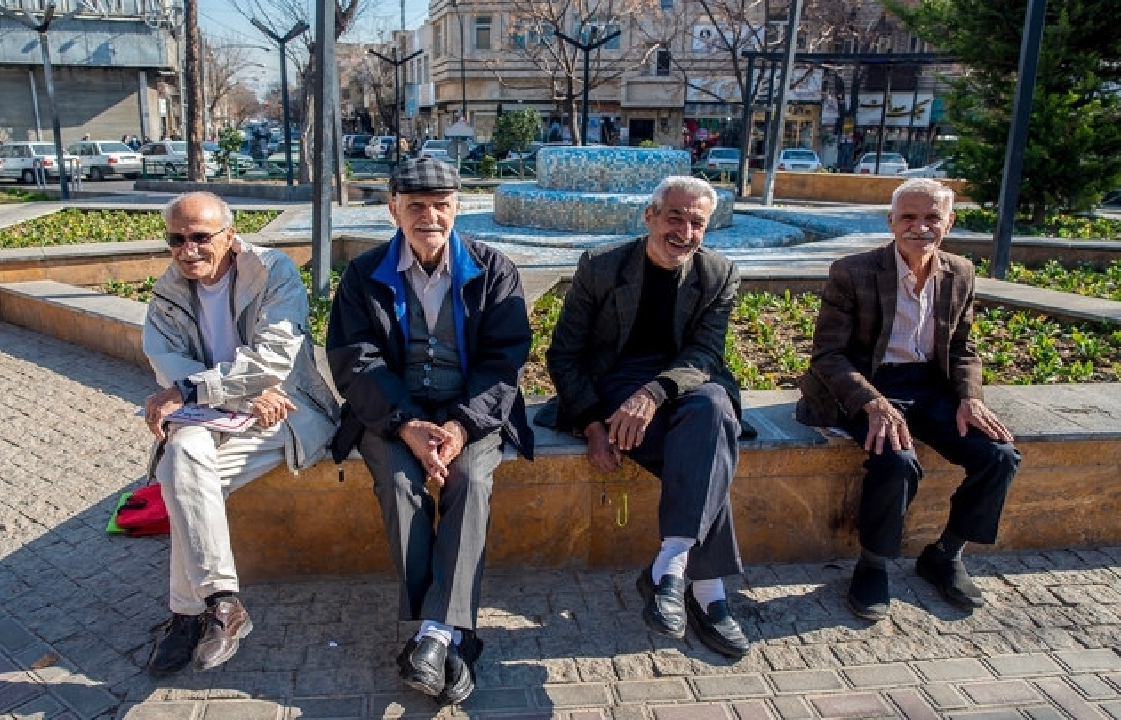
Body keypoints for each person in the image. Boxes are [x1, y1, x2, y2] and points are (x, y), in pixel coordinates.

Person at [326, 157, 533, 705]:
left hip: (472, 412)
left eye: (441, 205)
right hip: (392, 413)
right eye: (415, 205)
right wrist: (406, 423)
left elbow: (504, 361)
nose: (429, 216)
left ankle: (432, 635)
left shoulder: (493, 270)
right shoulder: (364, 274)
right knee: (399, 485)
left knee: (471, 481)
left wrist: (461, 426)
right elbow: (355, 361)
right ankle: (449, 635)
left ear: (458, 207)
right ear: (392, 209)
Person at [544, 176, 754, 659]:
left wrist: (656, 391)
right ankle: (710, 593)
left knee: (715, 409)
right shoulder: (601, 266)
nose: (685, 231)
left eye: (697, 223)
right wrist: (592, 424)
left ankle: (670, 564)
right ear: (650, 216)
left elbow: (705, 354)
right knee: (707, 458)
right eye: (674, 217)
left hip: (682, 383)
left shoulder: (718, 273)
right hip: (616, 384)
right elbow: (564, 355)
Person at [795, 177, 1020, 621]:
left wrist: (970, 398)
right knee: (896, 460)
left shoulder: (960, 272)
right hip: (866, 384)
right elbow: (828, 355)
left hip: (929, 386)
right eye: (909, 217)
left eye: (932, 217)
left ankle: (946, 554)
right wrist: (874, 402)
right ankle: (873, 565)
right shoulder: (852, 272)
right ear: (891, 222)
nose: (920, 227)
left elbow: (962, 348)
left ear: (949, 222)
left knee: (1000, 456)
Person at [140, 191, 339, 675]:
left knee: (181, 475)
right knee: (182, 459)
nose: (187, 249)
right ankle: (223, 602)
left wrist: (196, 390)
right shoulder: (169, 289)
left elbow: (274, 359)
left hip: (286, 411)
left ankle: (187, 613)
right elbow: (166, 361)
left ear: (229, 236)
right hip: (225, 411)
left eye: (200, 237)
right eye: (176, 239)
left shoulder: (272, 271)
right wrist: (242, 397)